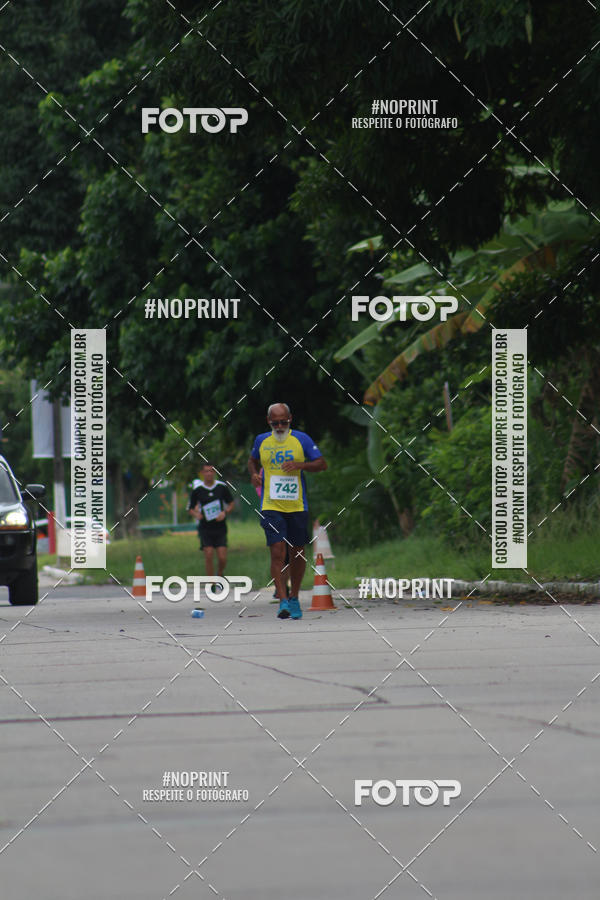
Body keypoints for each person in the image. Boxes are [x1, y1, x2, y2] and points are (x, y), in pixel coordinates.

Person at [248, 403, 327, 619]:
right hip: (271, 505)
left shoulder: (301, 439)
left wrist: (300, 465)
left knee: (298, 552)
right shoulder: (261, 440)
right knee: (277, 550)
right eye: (276, 423)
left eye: (284, 422)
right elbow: (252, 460)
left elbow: (322, 464)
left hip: (297, 505)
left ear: (291, 418)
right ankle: (282, 600)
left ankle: (294, 597)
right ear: (269, 422)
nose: (280, 426)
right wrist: (254, 474)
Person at [188, 463, 234, 588]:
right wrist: (197, 515)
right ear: (202, 473)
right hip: (205, 527)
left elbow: (231, 503)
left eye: (211, 471)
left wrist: (225, 512)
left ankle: (219, 573)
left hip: (220, 527)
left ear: (214, 473)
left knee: (222, 557)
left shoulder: (221, 487)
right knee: (208, 554)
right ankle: (211, 583)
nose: (209, 473)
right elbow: (190, 508)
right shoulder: (198, 490)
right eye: (206, 471)